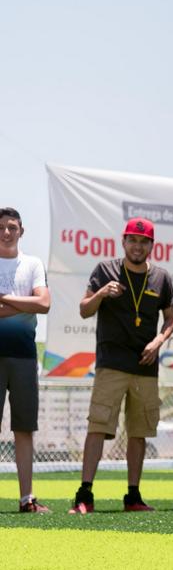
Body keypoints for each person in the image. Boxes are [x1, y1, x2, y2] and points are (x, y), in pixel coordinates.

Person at [70, 217, 173, 514]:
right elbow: (84, 310)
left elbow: (170, 319)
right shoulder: (105, 270)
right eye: (133, 240)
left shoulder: (161, 277)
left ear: (151, 246)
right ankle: (85, 495)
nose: (137, 246)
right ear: (123, 241)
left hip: (145, 366)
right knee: (98, 427)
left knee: (139, 432)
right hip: (111, 364)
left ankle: (133, 496)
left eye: (143, 242)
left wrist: (158, 341)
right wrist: (102, 293)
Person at [0, 207, 51, 513]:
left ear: (21, 231)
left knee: (24, 429)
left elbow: (43, 303)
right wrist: (24, 304)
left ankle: (26, 499)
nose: (6, 232)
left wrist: (4, 299)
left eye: (12, 227)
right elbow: (34, 303)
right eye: (1, 227)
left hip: (24, 357)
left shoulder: (33, 264)